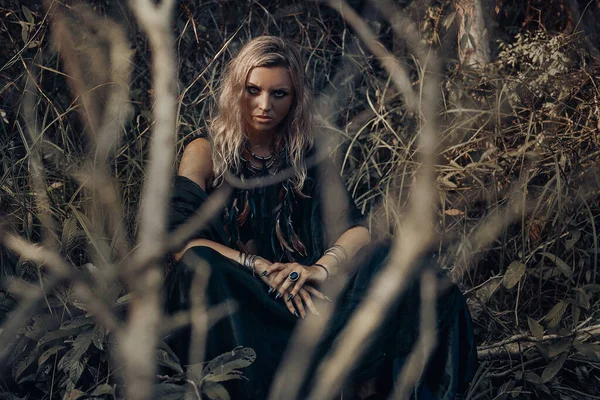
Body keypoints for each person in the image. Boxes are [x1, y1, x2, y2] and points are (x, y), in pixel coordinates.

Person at [166, 36, 477, 399]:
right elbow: (179, 241)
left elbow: (355, 230)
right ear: (236, 89)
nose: (264, 105)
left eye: (278, 94)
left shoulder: (307, 153)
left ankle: (369, 378)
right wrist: (260, 266)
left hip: (304, 295)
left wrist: (318, 269)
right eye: (253, 90)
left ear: (295, 97)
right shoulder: (204, 150)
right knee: (200, 262)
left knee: (396, 256)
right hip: (238, 295)